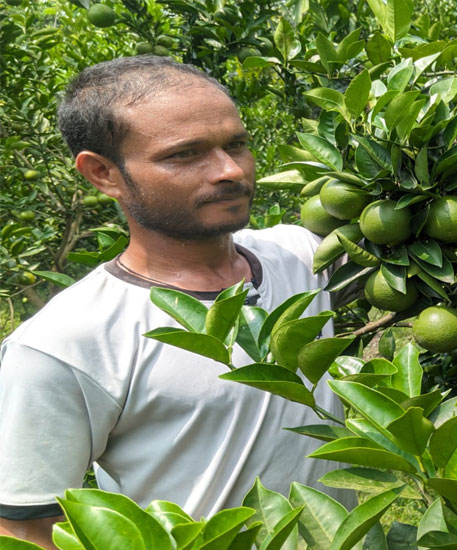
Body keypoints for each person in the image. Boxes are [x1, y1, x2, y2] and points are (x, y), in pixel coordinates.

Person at [0, 56, 349, 548]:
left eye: (237, 144)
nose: (230, 170)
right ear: (103, 173)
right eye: (186, 155)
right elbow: (25, 528)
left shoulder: (302, 255)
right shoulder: (64, 343)